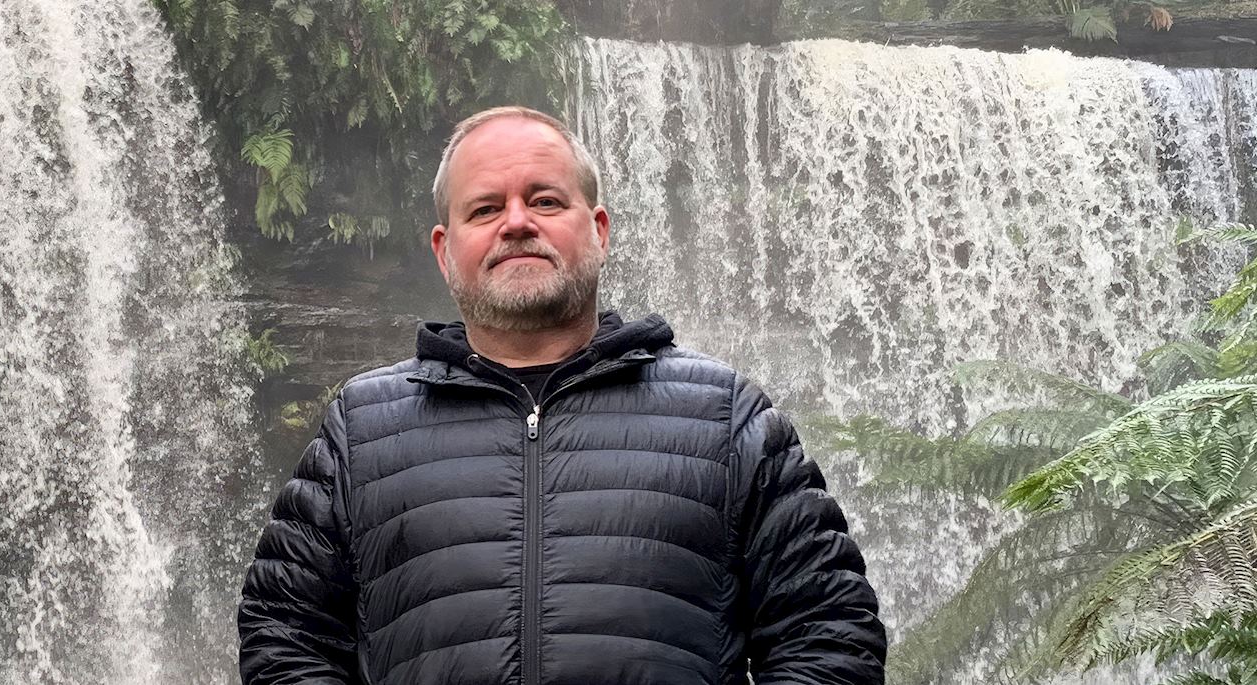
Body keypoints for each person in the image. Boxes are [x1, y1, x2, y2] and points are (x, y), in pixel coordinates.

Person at [235, 106, 886, 685]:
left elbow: (830, 636)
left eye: (545, 201)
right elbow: (285, 637)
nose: (516, 222)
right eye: (485, 208)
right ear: (444, 250)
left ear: (599, 229)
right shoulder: (362, 429)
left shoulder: (727, 418)